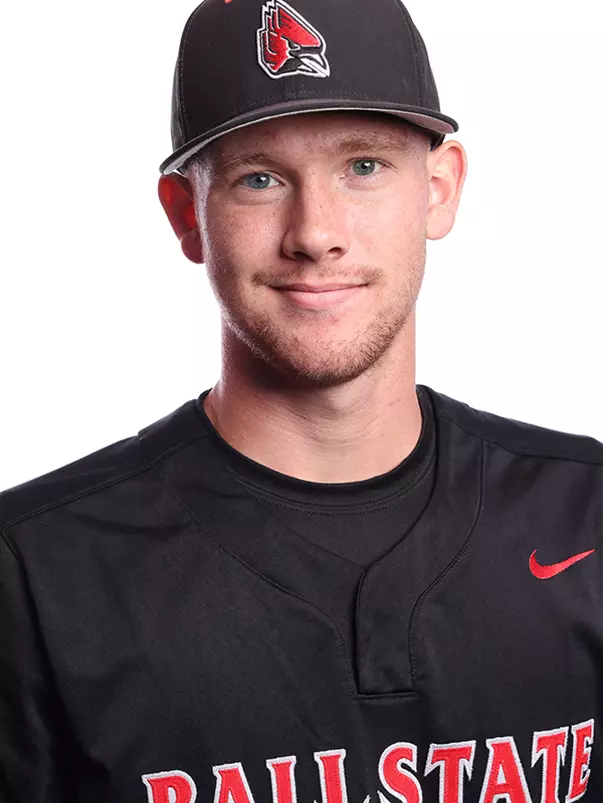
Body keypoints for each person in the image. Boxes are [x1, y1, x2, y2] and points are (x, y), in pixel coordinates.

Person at [1, 0, 602, 801]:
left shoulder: (584, 511)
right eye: (259, 178)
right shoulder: (36, 574)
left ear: (438, 189)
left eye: (363, 166)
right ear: (188, 216)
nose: (315, 232)